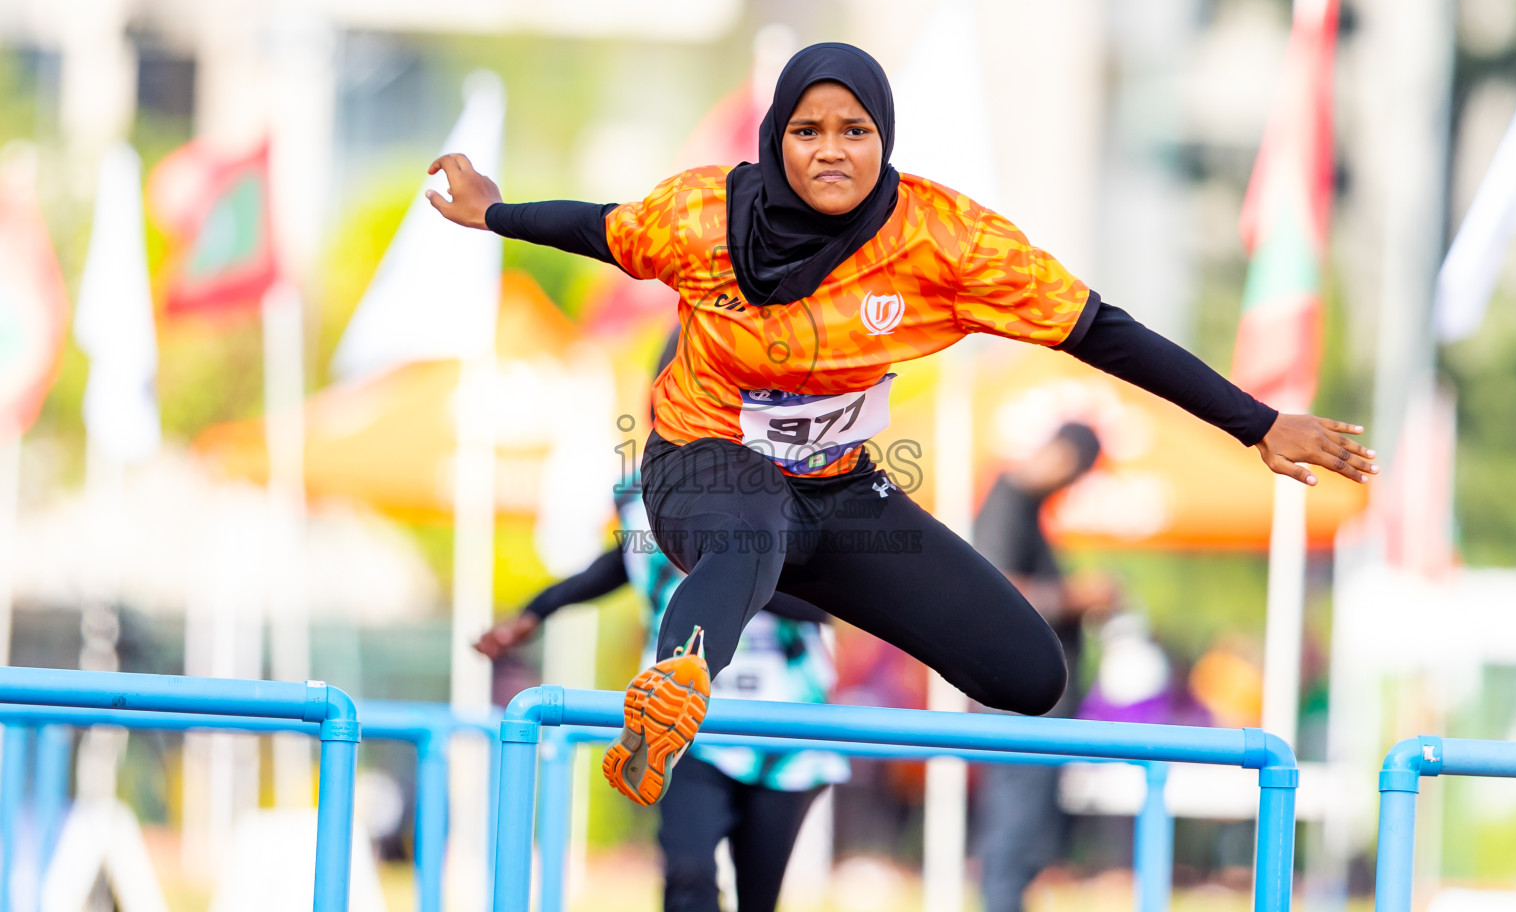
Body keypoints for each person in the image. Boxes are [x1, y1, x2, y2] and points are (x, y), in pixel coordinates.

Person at [426, 41, 1377, 810]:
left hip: (835, 491)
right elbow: (598, 226)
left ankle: (777, 598)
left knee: (1026, 672)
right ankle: (673, 690)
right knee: (749, 524)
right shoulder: (700, 216)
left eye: (855, 130)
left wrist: (1255, 424)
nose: (831, 151)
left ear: (885, 140)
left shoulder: (945, 243)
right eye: (807, 131)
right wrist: (494, 211)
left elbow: (1102, 334)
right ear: (774, 140)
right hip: (702, 462)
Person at [475, 332, 848, 912]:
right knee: (689, 877)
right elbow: (621, 564)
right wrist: (536, 611)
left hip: (786, 720)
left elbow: (827, 601)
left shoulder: (796, 484)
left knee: (759, 899)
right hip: (682, 713)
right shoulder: (642, 490)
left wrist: (722, 577)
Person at [971, 423, 1116, 912]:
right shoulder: (1008, 500)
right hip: (1019, 705)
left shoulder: (1025, 508)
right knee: (1014, 832)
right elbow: (997, 591)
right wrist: (1077, 596)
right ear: (1063, 458)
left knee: (1028, 833)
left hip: (1031, 701)